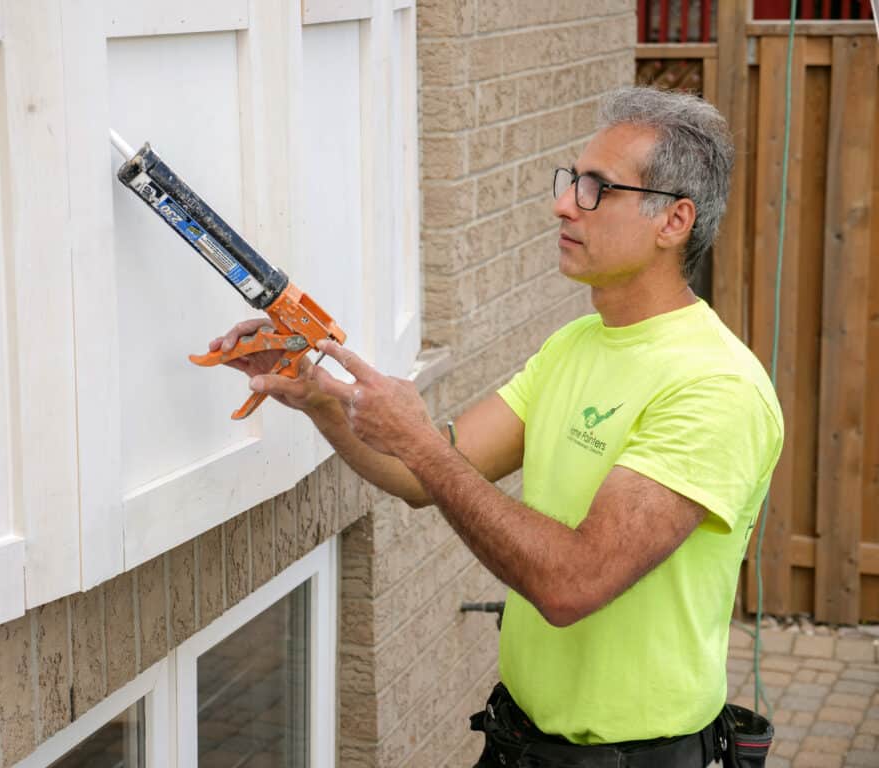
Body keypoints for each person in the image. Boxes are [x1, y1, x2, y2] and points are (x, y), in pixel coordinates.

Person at [209, 86, 783, 766]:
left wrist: (421, 440)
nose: (563, 203)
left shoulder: (715, 387)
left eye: (597, 189)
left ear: (673, 221)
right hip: (522, 741)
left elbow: (573, 584)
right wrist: (320, 397)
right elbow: (422, 473)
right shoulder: (575, 345)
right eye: (572, 180)